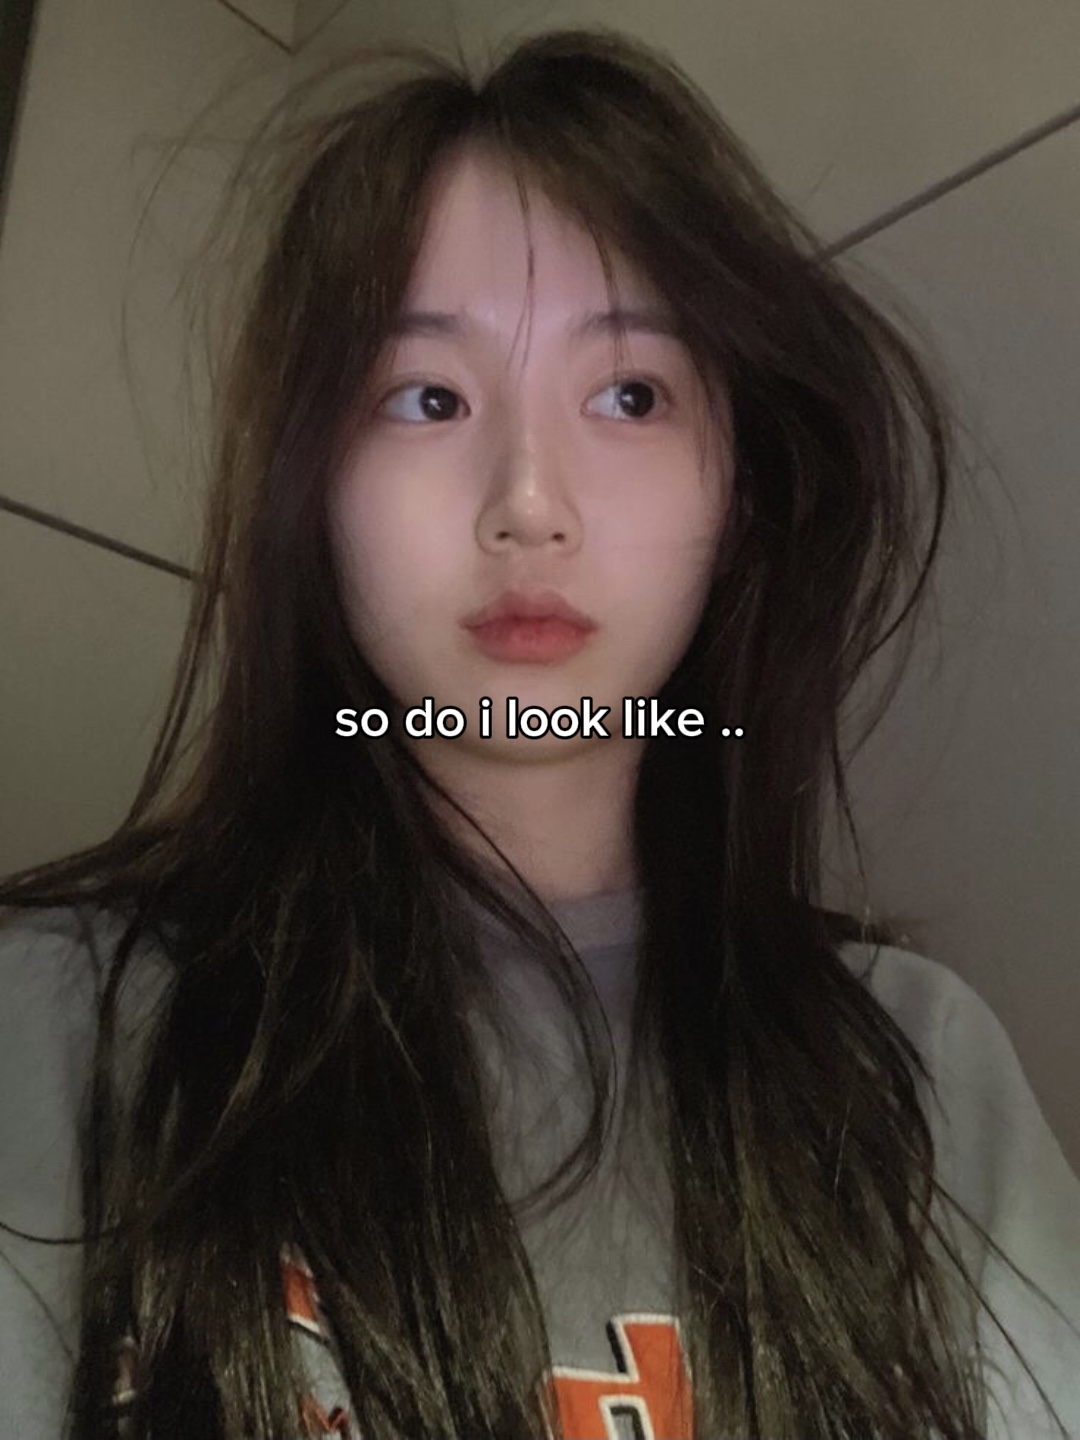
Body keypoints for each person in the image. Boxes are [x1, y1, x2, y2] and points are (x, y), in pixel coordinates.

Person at [1, 26, 1078, 1440]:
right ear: (313, 493)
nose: (528, 504)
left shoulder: (916, 1070)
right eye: (429, 397)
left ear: (742, 492)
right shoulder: (60, 1023)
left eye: (630, 395)